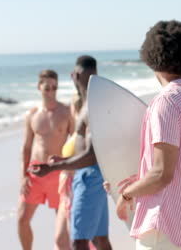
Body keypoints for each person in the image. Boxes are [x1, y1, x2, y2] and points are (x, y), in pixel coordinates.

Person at [115, 20, 181, 249]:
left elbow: (162, 174)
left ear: (153, 59)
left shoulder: (166, 101)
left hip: (165, 226)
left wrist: (128, 194)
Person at [31, 56, 112, 250]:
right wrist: (65, 160)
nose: (72, 77)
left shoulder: (92, 105)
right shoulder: (88, 102)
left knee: (78, 241)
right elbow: (87, 150)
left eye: (74, 74)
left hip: (89, 177)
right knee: (99, 239)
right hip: (93, 175)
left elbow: (92, 155)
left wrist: (52, 167)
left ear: (79, 74)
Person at [18, 69, 74, 250]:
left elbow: (75, 144)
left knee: (64, 227)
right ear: (39, 87)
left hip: (58, 173)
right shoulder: (32, 115)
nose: (51, 91)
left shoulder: (66, 112)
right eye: (47, 87)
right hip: (35, 173)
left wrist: (72, 172)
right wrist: (23, 175)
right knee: (22, 219)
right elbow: (26, 147)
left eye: (54, 87)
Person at [54, 93, 84, 250]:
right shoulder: (75, 131)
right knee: (60, 240)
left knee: (76, 241)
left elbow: (87, 160)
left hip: (75, 188)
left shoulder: (84, 132)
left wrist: (60, 164)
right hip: (65, 191)